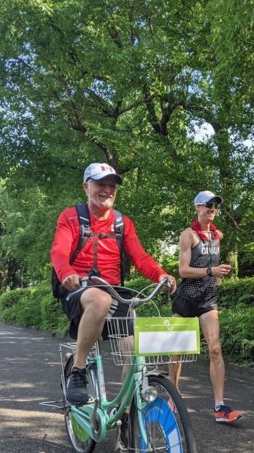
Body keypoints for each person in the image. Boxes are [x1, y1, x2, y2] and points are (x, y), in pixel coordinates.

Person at [51, 163, 177, 409]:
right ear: (86, 186)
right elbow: (59, 251)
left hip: (114, 290)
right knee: (101, 300)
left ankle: (127, 414)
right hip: (79, 289)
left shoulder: (122, 223)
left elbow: (140, 257)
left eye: (112, 186)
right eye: (101, 184)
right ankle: (78, 369)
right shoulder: (70, 217)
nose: (107, 190)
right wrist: (66, 273)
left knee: (133, 352)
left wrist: (161, 275)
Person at [167, 191, 243, 424]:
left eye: (216, 206)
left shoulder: (217, 235)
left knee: (216, 349)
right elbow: (183, 270)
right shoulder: (188, 235)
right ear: (197, 208)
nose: (213, 209)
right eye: (208, 205)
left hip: (208, 299)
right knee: (177, 350)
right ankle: (173, 396)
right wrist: (211, 271)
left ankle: (219, 406)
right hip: (186, 299)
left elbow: (210, 263)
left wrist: (216, 275)